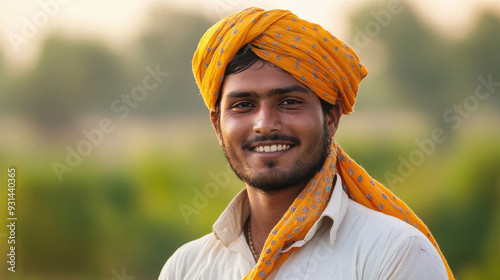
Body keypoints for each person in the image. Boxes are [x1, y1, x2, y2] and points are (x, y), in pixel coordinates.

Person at [159, 7, 453, 280]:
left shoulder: (394, 253)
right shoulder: (186, 267)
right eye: (244, 104)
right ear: (217, 125)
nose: (264, 123)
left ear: (332, 118)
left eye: (289, 102)